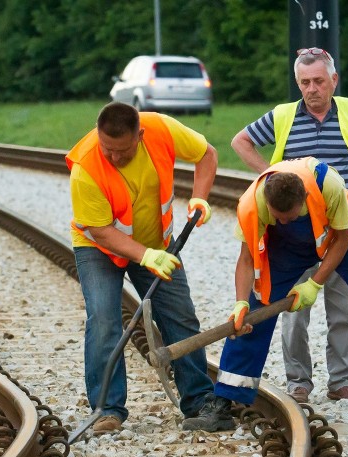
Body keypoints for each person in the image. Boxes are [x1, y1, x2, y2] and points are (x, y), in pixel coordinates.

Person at [231, 47, 348, 404]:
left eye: (318, 81)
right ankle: (299, 383)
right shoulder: (283, 116)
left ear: (334, 80)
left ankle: (343, 381)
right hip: (291, 227)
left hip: (340, 223)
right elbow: (241, 141)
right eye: (304, 82)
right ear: (298, 83)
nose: (312, 89)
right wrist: (268, 178)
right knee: (293, 311)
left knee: (346, 308)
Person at [66, 102, 235, 434]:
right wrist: (144, 255)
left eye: (122, 151)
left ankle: (200, 401)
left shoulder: (161, 130)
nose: (113, 157)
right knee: (103, 319)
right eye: (107, 149)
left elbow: (207, 155)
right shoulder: (86, 167)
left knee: (180, 316)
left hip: (157, 244)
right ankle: (107, 409)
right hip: (99, 248)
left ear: (139, 136)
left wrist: (200, 197)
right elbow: (101, 231)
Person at [215, 157, 348, 421]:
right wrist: (240, 302)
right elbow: (246, 259)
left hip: (342, 236)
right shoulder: (250, 204)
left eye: (290, 217)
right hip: (287, 249)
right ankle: (225, 397)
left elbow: (343, 238)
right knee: (256, 309)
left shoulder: (329, 185)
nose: (286, 222)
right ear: (268, 204)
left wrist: (314, 283)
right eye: (279, 218)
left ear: (303, 200)